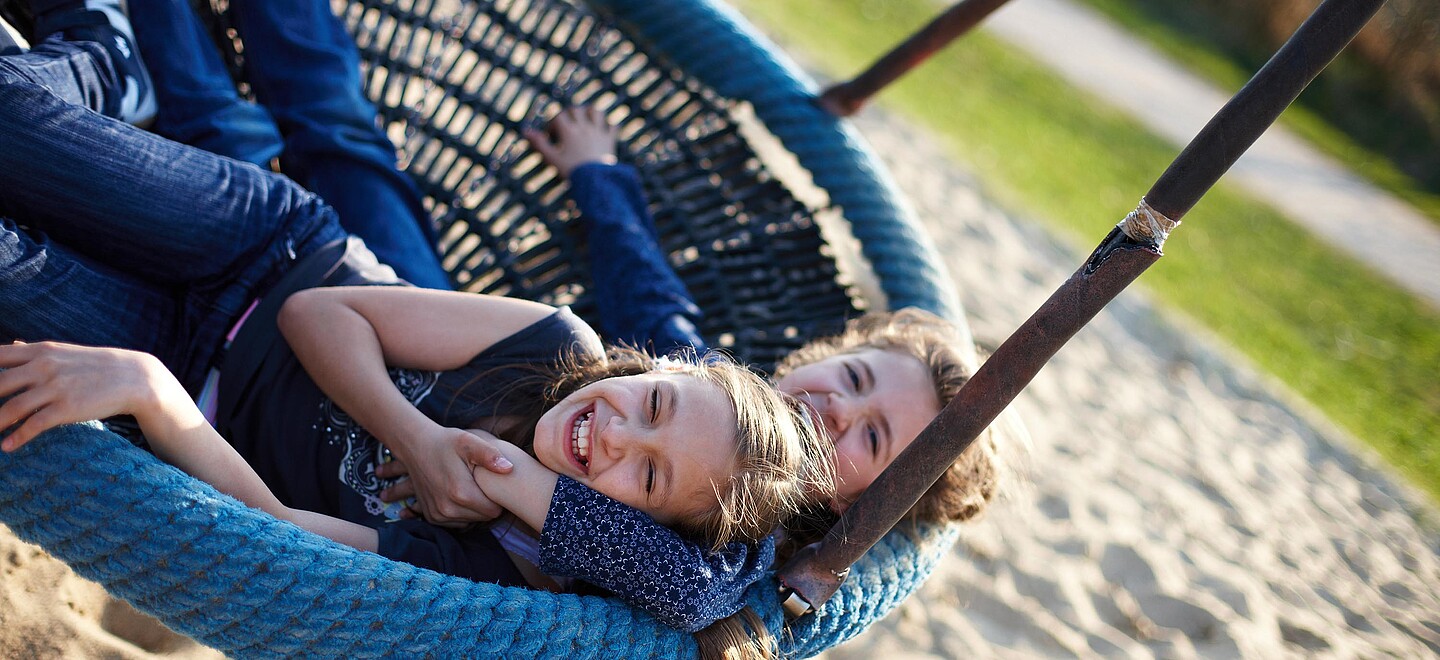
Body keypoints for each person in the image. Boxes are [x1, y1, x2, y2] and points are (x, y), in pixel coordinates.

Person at [0, 0, 833, 639]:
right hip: (265, 249)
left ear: (628, 530)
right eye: (654, 405)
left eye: (646, 478)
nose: (618, 435)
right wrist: (414, 435)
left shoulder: (488, 569)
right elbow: (321, 314)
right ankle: (111, 56)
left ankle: (108, 65)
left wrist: (152, 390)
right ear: (659, 370)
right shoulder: (556, 346)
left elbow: (279, 531)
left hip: (182, 369)